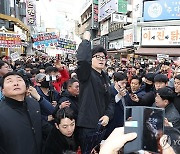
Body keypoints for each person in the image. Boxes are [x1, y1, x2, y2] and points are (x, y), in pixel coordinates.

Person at [76, 31, 114, 153]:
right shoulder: (86, 75)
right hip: (88, 126)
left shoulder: (105, 76)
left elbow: (111, 100)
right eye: (97, 57)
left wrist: (108, 115)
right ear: (91, 59)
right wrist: (86, 41)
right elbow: (82, 61)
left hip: (102, 125)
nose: (101, 60)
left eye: (103, 57)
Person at [0, 72, 42, 154]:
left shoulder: (34, 104)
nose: (16, 83)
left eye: (19, 80)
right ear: (3, 91)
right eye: (9, 81)